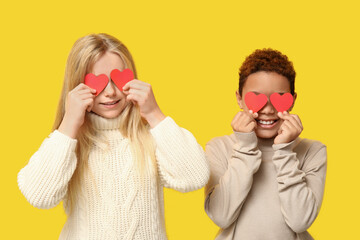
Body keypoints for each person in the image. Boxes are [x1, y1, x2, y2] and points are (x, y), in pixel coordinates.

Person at [18, 33, 209, 239]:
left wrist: (154, 114)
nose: (110, 91)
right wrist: (70, 122)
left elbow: (195, 177)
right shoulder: (69, 144)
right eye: (98, 82)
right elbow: (39, 196)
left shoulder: (150, 138)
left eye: (118, 79)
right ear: (77, 85)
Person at [204, 48, 327, 240]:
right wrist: (244, 147)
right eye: (257, 98)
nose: (268, 109)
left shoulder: (312, 151)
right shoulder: (219, 148)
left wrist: (285, 150)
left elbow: (300, 221)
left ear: (292, 100)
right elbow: (221, 216)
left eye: (279, 99)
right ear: (239, 99)